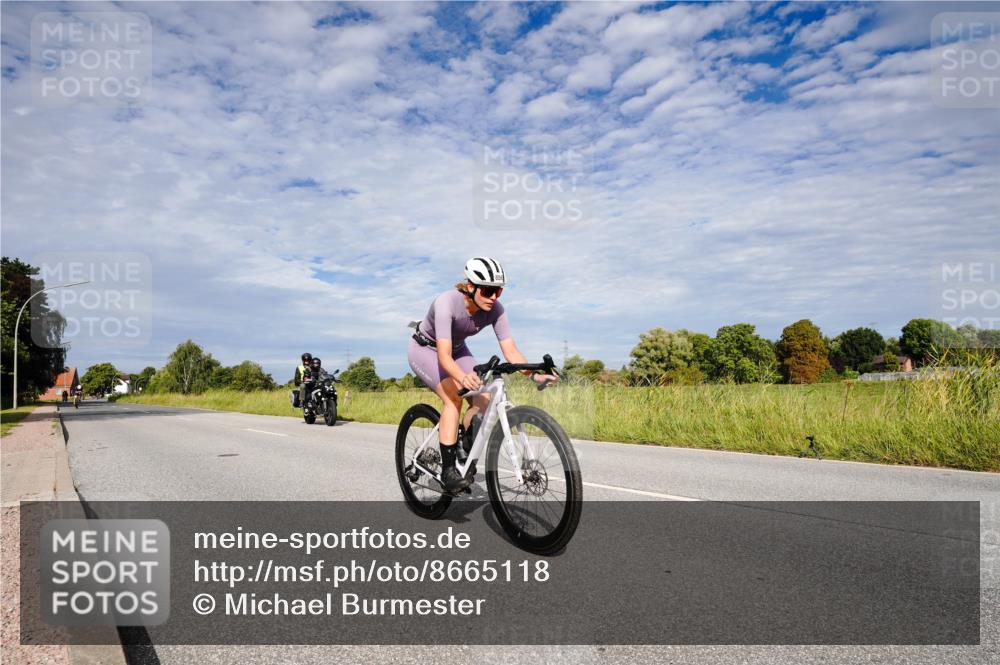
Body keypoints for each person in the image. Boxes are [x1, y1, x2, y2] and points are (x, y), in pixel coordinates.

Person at [407, 257, 558, 493]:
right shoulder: (446, 302)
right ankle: (448, 472)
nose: (494, 297)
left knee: (484, 400)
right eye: (488, 291)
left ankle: (462, 451)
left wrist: (535, 376)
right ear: (470, 287)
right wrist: (462, 377)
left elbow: (510, 351)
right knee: (454, 398)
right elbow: (443, 357)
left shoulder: (496, 310)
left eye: (498, 291)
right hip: (426, 349)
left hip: (457, 350)